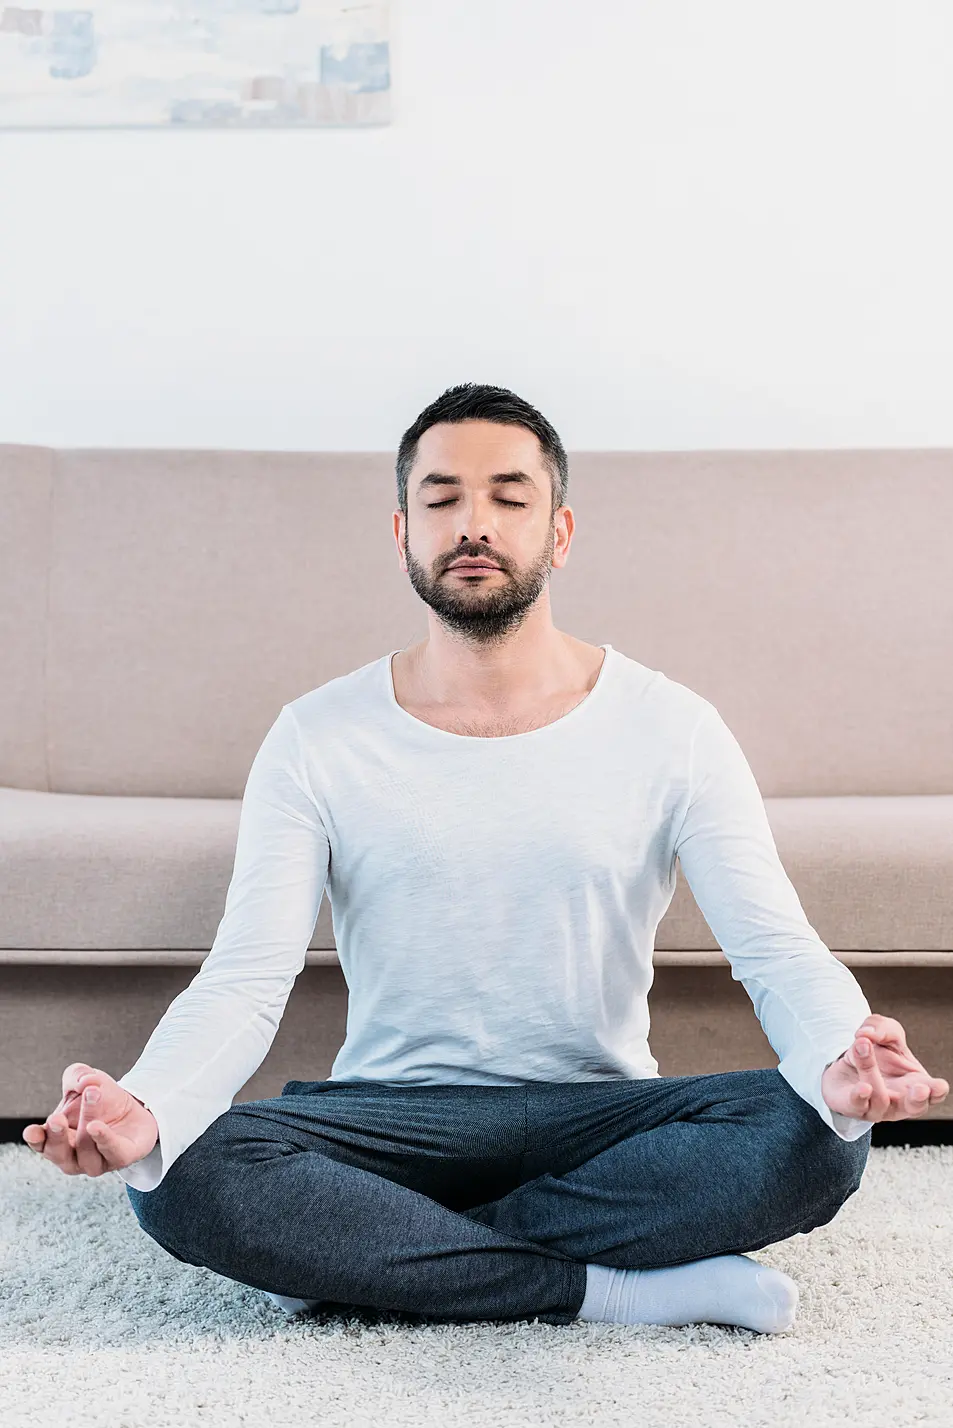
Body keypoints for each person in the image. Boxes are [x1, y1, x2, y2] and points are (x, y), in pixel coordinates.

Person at [24, 383, 949, 1334]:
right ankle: (610, 1289)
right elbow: (246, 979)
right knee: (175, 1173)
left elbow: (776, 951)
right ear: (400, 533)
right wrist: (146, 1101)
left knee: (817, 1138)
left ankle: (376, 1257)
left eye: (510, 498)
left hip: (597, 1118)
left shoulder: (673, 728)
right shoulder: (315, 736)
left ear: (559, 532)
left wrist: (841, 1054)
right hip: (388, 1119)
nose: (475, 523)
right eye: (441, 499)